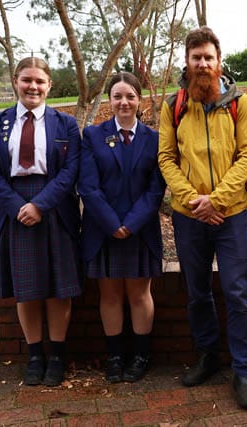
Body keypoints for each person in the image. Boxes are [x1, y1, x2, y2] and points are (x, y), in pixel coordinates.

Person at [157, 26, 247, 410]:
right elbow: (166, 158)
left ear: (219, 61)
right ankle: (208, 356)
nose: (203, 64)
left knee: (238, 293)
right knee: (197, 292)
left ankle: (244, 370)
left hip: (232, 216)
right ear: (187, 61)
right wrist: (193, 201)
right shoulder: (174, 105)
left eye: (208, 58)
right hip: (189, 218)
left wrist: (216, 200)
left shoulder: (240, 103)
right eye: (196, 57)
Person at [0, 57, 81, 387]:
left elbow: (71, 171)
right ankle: (35, 355)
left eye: (39, 81)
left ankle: (58, 356)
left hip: (54, 208)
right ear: (15, 81)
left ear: (49, 85)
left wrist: (40, 204)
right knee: (27, 289)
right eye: (26, 80)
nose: (32, 86)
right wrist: (17, 206)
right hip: (14, 208)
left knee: (58, 290)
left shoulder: (66, 124)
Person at [78, 72, 165, 384]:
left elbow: (156, 189)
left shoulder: (155, 139)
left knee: (140, 294)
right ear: (110, 100)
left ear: (139, 100)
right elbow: (88, 186)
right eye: (117, 96)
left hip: (141, 230)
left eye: (130, 96)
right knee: (110, 295)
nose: (124, 102)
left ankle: (141, 355)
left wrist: (130, 223)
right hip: (103, 230)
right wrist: (113, 224)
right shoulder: (93, 136)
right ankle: (115, 356)